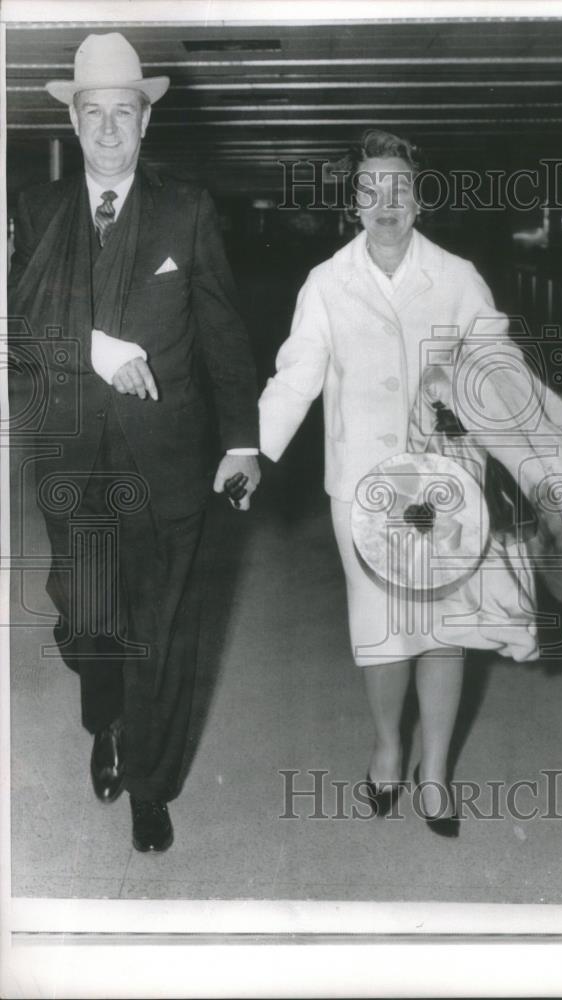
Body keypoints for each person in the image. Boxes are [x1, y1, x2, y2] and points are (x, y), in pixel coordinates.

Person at [258, 129, 562, 837]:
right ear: (353, 204)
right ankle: (389, 746)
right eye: (370, 188)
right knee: (383, 631)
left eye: (399, 187)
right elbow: (298, 371)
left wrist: (464, 391)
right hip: (361, 487)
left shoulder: (457, 276)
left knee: (445, 629)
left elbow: (502, 374)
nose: (385, 202)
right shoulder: (327, 282)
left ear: (418, 199)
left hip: (448, 483)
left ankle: (436, 773)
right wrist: (256, 449)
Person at [8, 33, 261, 852]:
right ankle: (105, 716)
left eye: (125, 112)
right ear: (73, 123)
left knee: (162, 624)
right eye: (94, 113)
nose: (109, 129)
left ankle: (151, 785)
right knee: (87, 622)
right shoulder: (35, 213)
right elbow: (16, 335)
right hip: (73, 460)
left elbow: (222, 329)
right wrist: (91, 348)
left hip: (171, 464)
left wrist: (242, 442)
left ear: (145, 122)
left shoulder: (187, 208)